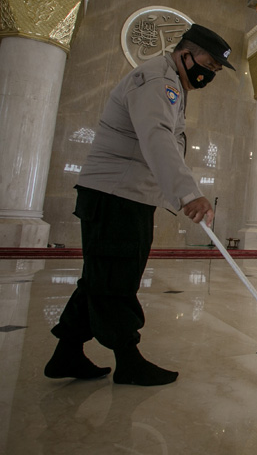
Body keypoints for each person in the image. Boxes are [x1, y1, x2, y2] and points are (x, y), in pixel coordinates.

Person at [44, 24, 235, 386]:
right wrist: (188, 192)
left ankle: (66, 353)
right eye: (208, 64)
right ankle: (128, 360)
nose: (209, 74)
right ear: (185, 53)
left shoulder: (171, 82)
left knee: (101, 278)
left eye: (215, 70)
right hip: (117, 196)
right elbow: (156, 137)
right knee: (116, 280)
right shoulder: (158, 80)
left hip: (122, 195)